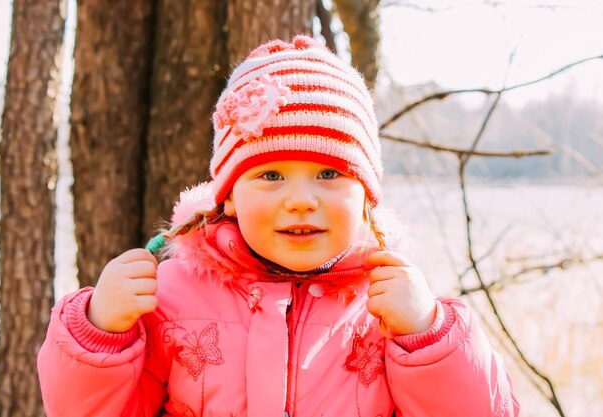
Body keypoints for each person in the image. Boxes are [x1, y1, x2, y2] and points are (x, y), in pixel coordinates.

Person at [38, 35, 519, 417]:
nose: (301, 201)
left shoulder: (389, 308)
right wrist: (99, 332)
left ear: (367, 194)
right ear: (227, 194)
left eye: (329, 174)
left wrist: (429, 336)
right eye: (270, 175)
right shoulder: (170, 296)